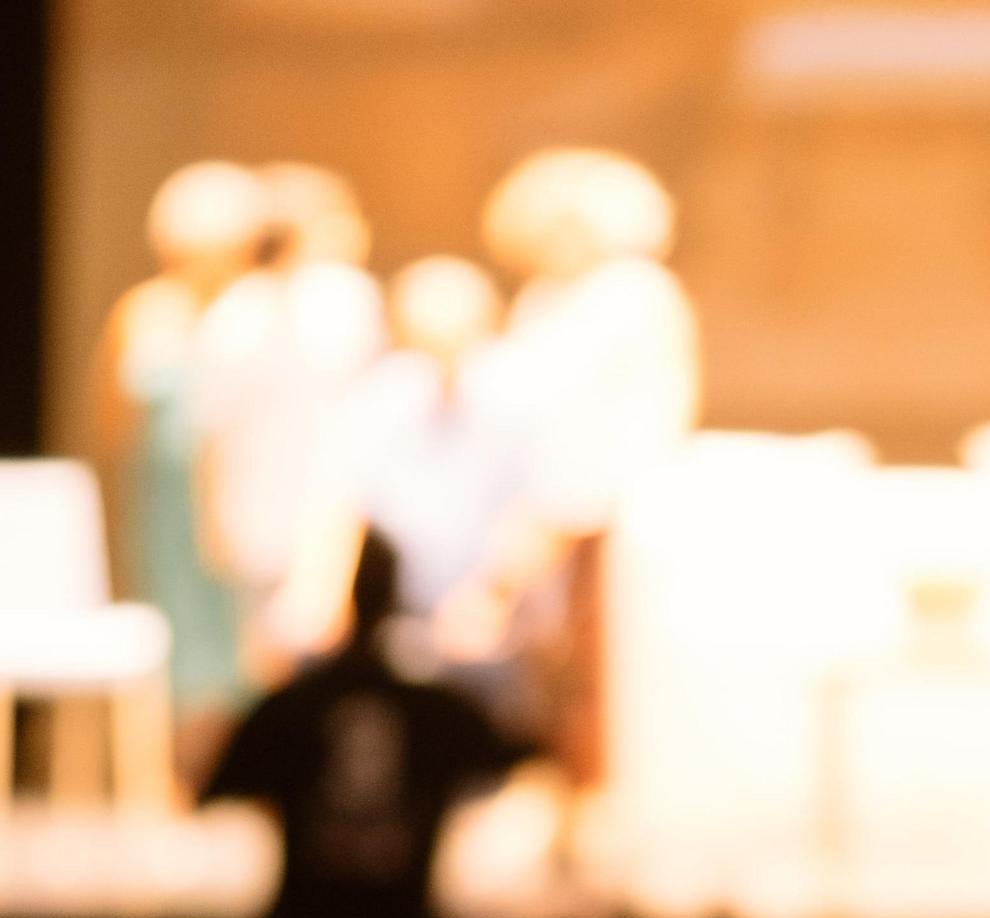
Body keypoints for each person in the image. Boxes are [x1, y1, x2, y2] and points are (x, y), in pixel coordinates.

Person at [479, 147, 700, 783]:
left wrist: (578, 505)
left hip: (601, 512)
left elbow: (653, 412)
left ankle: (598, 803)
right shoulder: (542, 299)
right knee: (544, 670)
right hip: (539, 508)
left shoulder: (636, 296)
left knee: (600, 676)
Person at [207, 530, 530, 918]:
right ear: (397, 595)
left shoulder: (290, 709)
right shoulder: (440, 712)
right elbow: (523, 759)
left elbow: (215, 788)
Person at [270, 255, 550, 724]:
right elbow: (338, 500)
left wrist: (493, 594)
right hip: (395, 610)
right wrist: (319, 592)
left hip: (497, 608)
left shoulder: (523, 394)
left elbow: (544, 508)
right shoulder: (383, 394)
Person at [95, 161, 270, 737]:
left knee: (246, 626)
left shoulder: (256, 311)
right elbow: (111, 413)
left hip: (243, 485)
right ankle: (168, 759)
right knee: (171, 620)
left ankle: (244, 750)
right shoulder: (145, 308)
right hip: (166, 494)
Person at [194, 162, 388, 678]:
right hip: (302, 501)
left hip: (294, 504)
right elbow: (217, 426)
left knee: (291, 648)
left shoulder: (237, 307)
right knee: (292, 650)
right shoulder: (333, 297)